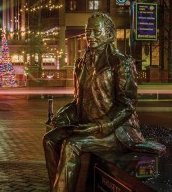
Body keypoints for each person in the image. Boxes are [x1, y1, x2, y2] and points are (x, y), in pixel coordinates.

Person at [43, 12, 165, 191]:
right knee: (49, 139)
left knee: (72, 145)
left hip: (115, 132)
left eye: (96, 32)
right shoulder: (81, 63)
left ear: (109, 34)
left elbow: (127, 105)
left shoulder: (120, 62)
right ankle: (59, 186)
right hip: (88, 126)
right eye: (87, 31)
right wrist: (63, 116)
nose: (90, 36)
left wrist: (101, 126)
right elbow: (79, 101)